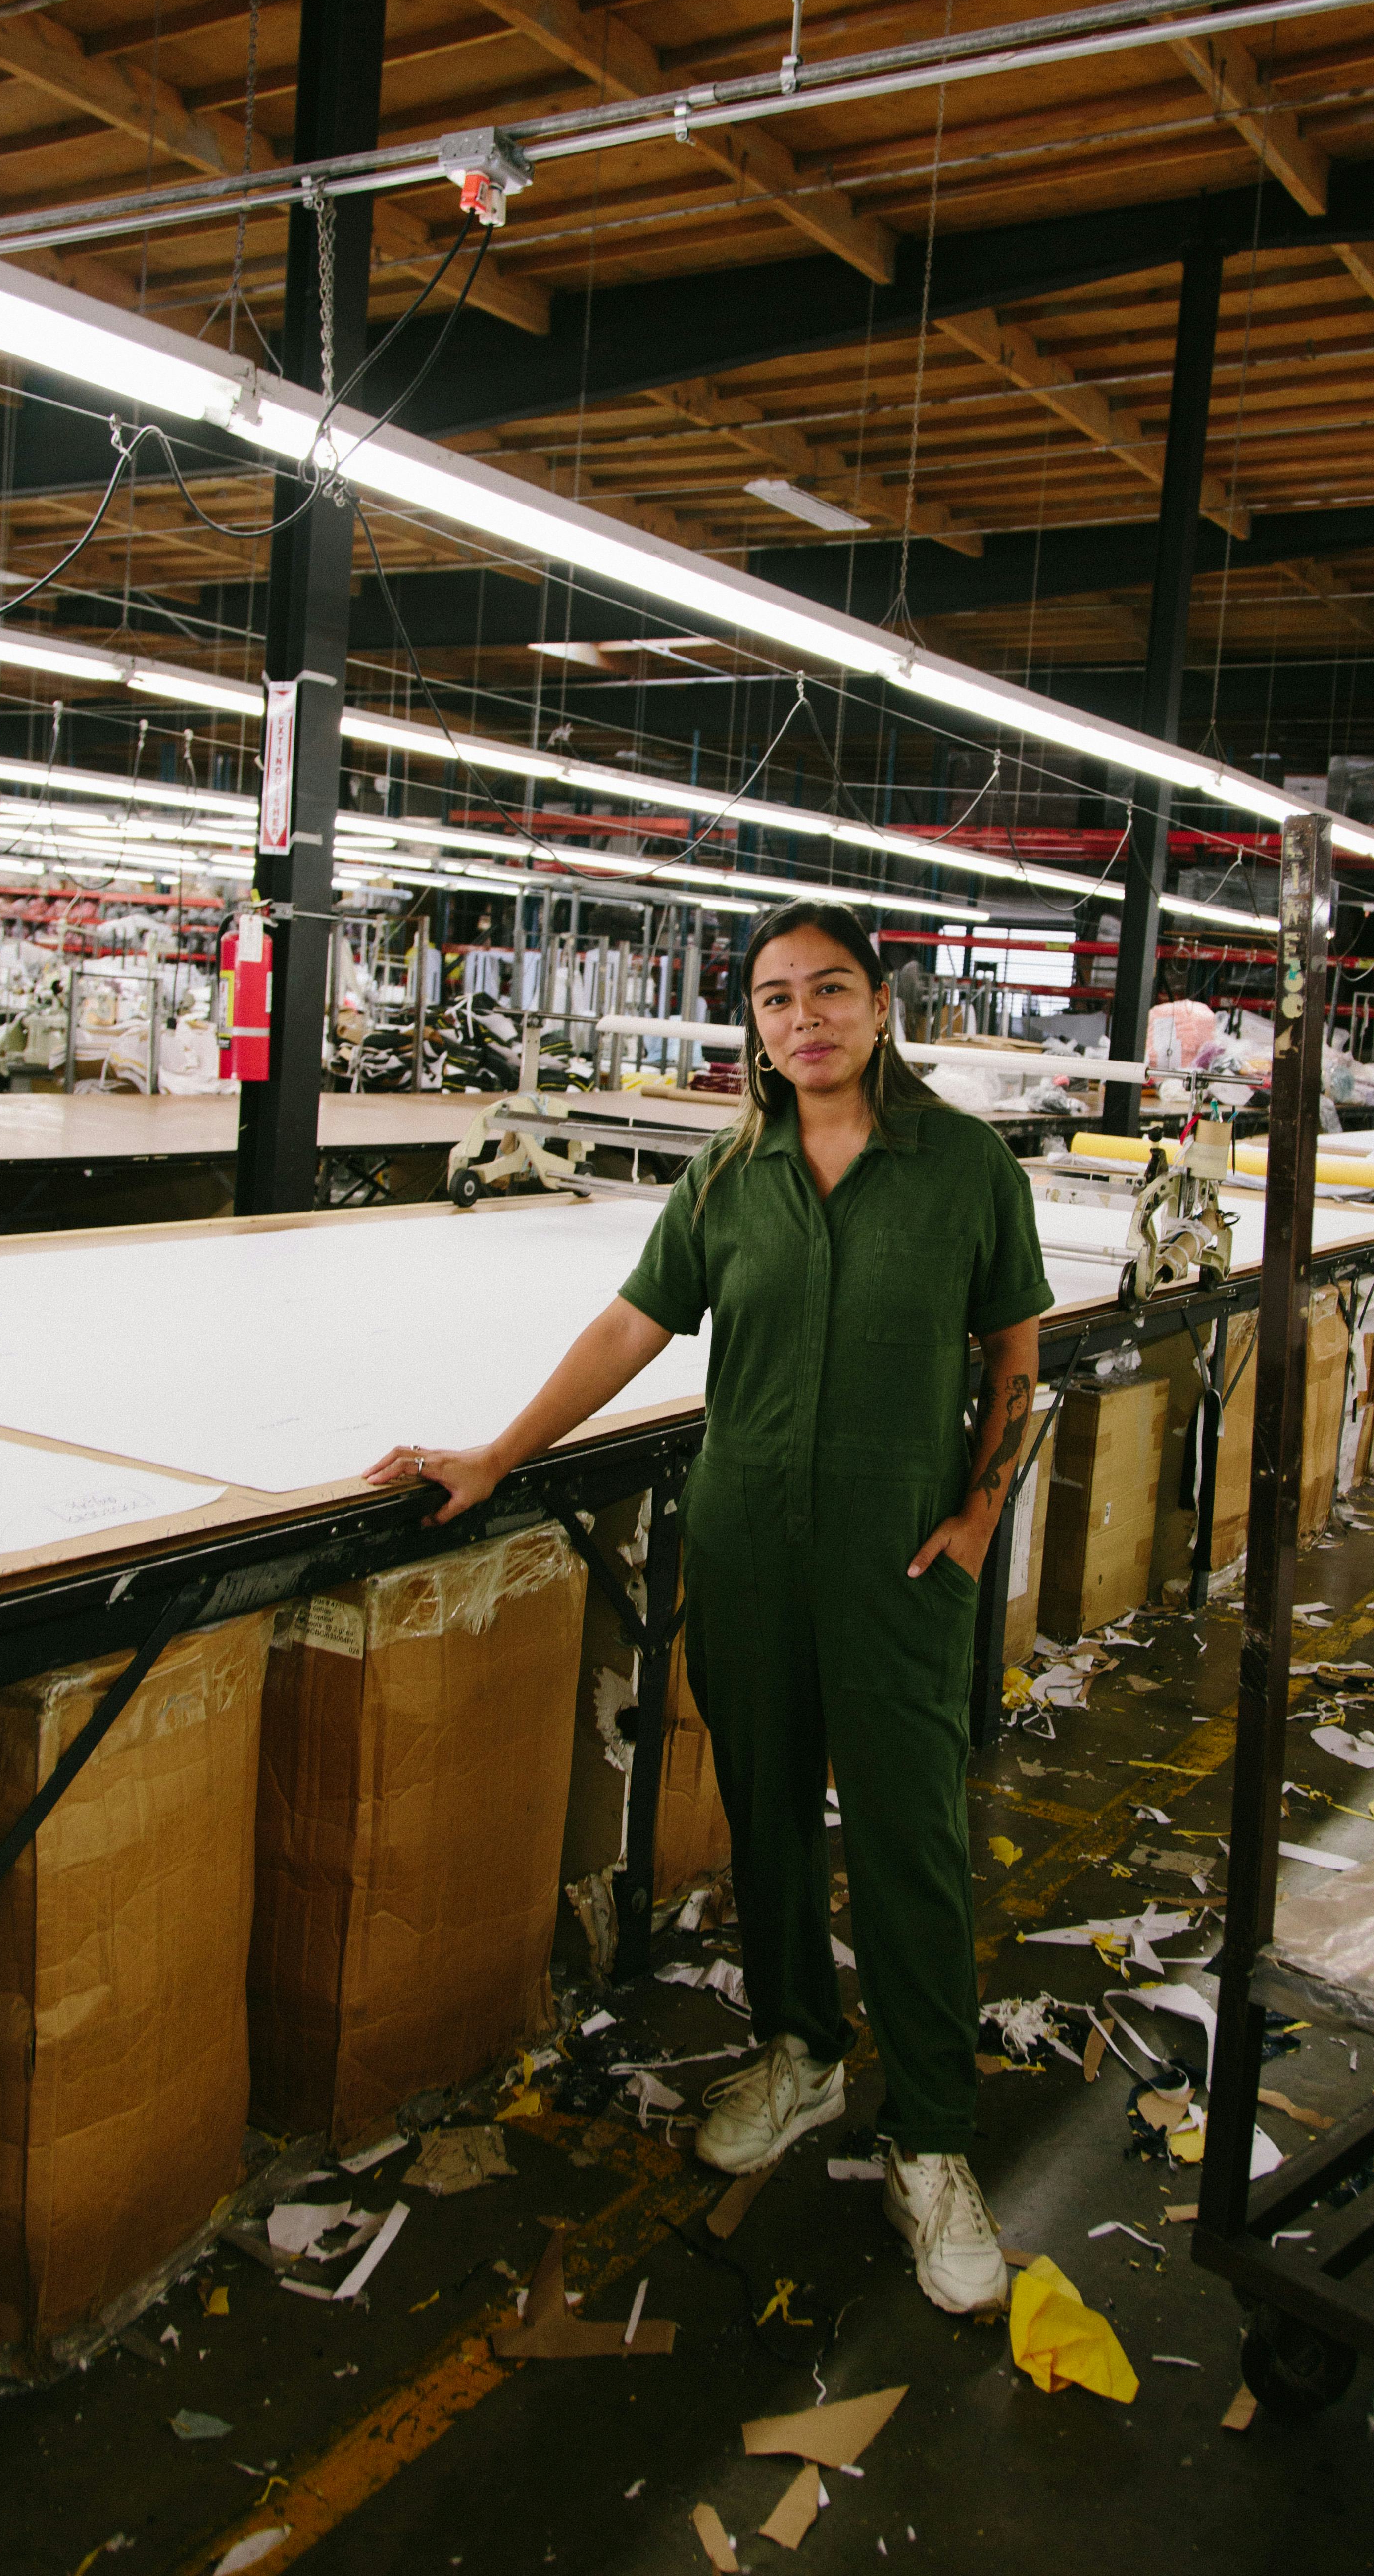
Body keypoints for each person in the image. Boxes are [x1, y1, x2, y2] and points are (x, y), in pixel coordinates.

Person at [366, 901, 1051, 2313]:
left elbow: (1015, 1353)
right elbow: (634, 1325)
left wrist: (983, 1508)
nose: (805, 1019)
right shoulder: (729, 1177)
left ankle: (930, 2138)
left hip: (899, 1567)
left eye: (832, 991)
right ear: (752, 1020)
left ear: (881, 1004)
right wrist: (501, 1451)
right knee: (768, 1817)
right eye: (777, 997)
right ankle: (801, 2053)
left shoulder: (969, 1168)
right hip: (745, 1549)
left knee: (917, 1845)